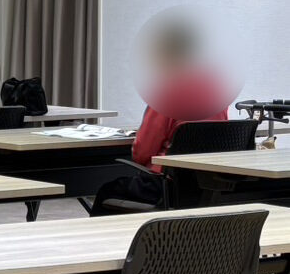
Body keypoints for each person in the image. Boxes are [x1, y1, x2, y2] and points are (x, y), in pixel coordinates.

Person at [89, 25, 229, 215]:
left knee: (108, 191)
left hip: (166, 186)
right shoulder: (218, 90)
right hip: (208, 186)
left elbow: (142, 153)